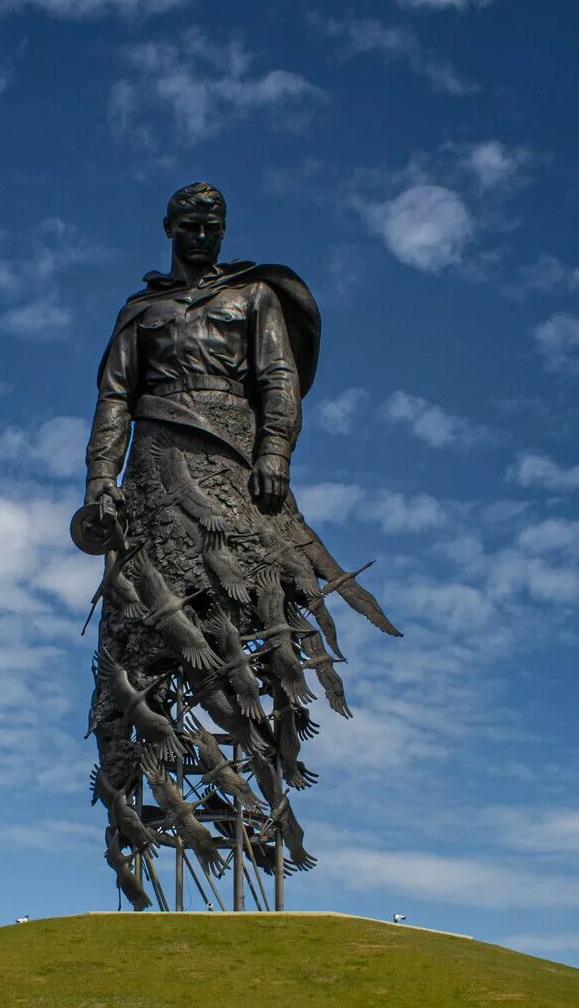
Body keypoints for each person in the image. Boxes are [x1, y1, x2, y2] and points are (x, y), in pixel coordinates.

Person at [77, 182, 398, 908]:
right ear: (167, 227)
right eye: (188, 223)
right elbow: (114, 399)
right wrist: (101, 478)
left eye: (211, 223)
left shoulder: (254, 299)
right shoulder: (142, 311)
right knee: (145, 629)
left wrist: (275, 454)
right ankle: (141, 811)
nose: (200, 233)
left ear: (223, 229)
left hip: (235, 466)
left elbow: (278, 381)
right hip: (156, 471)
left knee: (244, 615)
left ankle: (260, 801)